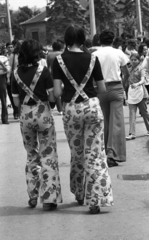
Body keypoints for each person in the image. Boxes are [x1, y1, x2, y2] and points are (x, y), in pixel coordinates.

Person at [53, 25, 113, 214]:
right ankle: (96, 199)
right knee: (95, 153)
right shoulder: (93, 58)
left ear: (67, 39)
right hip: (92, 107)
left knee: (77, 153)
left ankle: (79, 193)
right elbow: (102, 89)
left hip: (71, 109)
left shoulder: (59, 60)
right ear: (82, 38)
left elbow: (56, 93)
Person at [11, 39, 62, 210]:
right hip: (44, 115)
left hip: (25, 115)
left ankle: (33, 195)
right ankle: (49, 198)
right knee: (48, 154)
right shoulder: (44, 71)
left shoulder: (15, 74)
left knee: (31, 154)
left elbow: (16, 103)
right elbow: (53, 97)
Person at [93, 29, 129, 167]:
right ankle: (113, 155)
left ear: (99, 41)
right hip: (116, 88)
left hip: (100, 89)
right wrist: (123, 86)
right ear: (113, 40)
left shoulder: (94, 54)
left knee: (105, 122)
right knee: (117, 123)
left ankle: (102, 153)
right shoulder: (118, 53)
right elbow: (126, 73)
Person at [126, 52, 149, 140]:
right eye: (131, 60)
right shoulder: (128, 68)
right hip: (132, 94)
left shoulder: (141, 69)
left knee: (144, 113)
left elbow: (143, 80)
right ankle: (132, 133)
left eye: (135, 60)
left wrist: (137, 84)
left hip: (141, 94)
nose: (133, 61)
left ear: (139, 60)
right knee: (132, 113)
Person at [47, 40, 64, 115]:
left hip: (53, 75)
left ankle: (59, 108)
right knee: (64, 90)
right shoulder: (63, 54)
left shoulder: (49, 55)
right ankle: (62, 106)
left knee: (56, 90)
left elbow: (48, 67)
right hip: (63, 74)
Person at [0, 52, 10, 124]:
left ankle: (4, 118)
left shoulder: (4, 58)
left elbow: (7, 69)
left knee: (3, 100)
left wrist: (1, 63)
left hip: (2, 79)